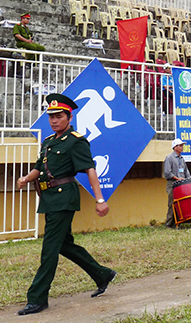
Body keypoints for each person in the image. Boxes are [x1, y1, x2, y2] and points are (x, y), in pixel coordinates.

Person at [15, 94, 116, 315]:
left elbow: (90, 169)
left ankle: (37, 298)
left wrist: (100, 199)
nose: (54, 120)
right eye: (51, 116)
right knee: (62, 244)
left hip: (64, 197)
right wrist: (25, 178)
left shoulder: (76, 140)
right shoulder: (49, 142)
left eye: (59, 116)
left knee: (49, 248)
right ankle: (102, 274)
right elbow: (39, 168)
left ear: (69, 117)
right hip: (49, 198)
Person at [164, 138, 191, 228]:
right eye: (180, 145)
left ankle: (178, 222)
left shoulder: (182, 159)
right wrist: (177, 178)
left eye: (182, 145)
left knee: (181, 203)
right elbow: (167, 172)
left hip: (182, 184)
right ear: (175, 147)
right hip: (173, 184)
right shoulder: (169, 158)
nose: (182, 147)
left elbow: (186, 171)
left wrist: (189, 180)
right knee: (172, 204)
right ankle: (169, 224)